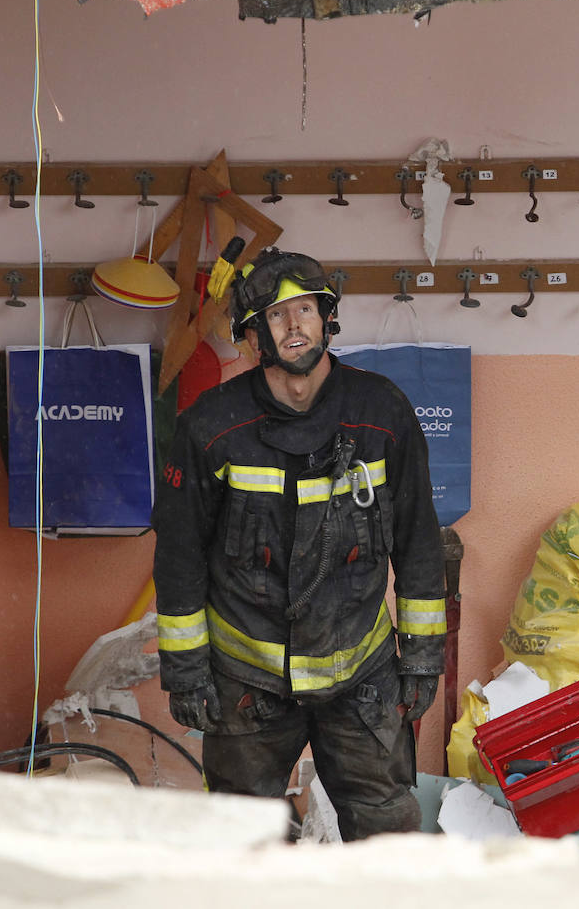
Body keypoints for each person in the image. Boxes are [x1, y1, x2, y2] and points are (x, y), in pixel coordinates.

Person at [152, 247, 446, 840]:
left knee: (390, 837)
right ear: (255, 332)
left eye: (306, 309)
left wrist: (420, 657)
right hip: (247, 683)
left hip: (359, 674)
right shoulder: (210, 428)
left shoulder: (381, 414)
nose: (294, 325)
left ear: (326, 319)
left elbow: (418, 542)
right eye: (278, 314)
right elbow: (179, 559)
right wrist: (186, 672)